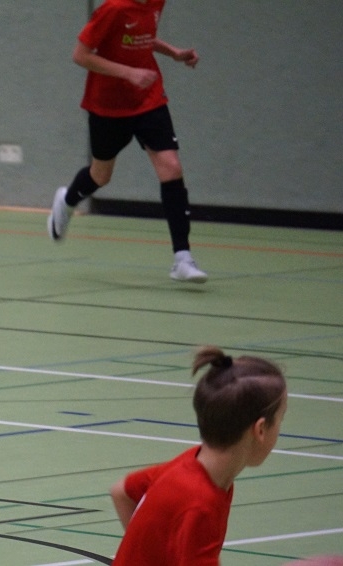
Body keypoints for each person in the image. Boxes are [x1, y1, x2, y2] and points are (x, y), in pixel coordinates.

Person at [48, 0, 208, 283]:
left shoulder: (156, 2)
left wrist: (173, 53)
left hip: (148, 99)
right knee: (100, 175)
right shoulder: (113, 8)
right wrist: (129, 73)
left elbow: (141, 37)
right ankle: (67, 200)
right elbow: (81, 55)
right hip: (108, 105)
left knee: (171, 167)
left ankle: (182, 258)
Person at [110, 346, 288, 565]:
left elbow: (122, 491)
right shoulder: (201, 506)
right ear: (260, 430)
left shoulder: (190, 463)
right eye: (281, 418)